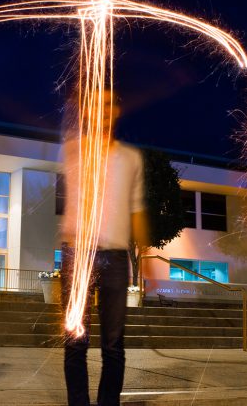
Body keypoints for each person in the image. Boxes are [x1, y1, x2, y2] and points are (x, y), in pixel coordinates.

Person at [59, 89, 150, 406]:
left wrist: (145, 253)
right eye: (96, 104)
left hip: (114, 254)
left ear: (118, 110)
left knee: (113, 344)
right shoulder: (74, 150)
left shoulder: (131, 158)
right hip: (78, 252)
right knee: (75, 341)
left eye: (109, 103)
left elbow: (136, 207)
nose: (103, 109)